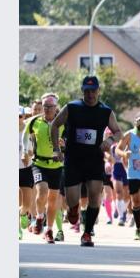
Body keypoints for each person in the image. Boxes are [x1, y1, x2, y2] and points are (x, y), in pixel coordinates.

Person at [50, 76, 123, 247]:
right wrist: (56, 149)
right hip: (74, 159)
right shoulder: (72, 107)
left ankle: (87, 233)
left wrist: (110, 141)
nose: (90, 94)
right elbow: (54, 125)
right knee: (73, 200)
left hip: (94, 159)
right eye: (87, 91)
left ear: (98, 91)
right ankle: (73, 210)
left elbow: (119, 132)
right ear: (82, 91)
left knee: (94, 196)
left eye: (93, 90)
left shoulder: (106, 111)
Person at [24, 93, 65, 244]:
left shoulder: (63, 122)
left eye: (50, 107)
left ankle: (49, 230)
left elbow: (69, 140)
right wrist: (24, 152)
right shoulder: (35, 121)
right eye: (45, 107)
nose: (47, 109)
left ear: (56, 108)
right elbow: (24, 135)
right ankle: (39, 217)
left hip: (56, 164)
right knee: (42, 192)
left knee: (53, 200)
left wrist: (64, 144)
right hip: (39, 163)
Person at [116, 112, 140, 240]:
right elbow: (118, 149)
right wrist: (124, 153)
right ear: (135, 123)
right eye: (139, 122)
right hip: (133, 174)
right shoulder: (129, 134)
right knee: (136, 201)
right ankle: (138, 228)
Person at [19, 106, 35, 240]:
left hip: (26, 169)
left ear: (24, 116)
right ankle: (17, 230)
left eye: (20, 116)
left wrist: (31, 153)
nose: (17, 119)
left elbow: (34, 149)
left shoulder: (29, 130)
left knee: (27, 204)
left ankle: (23, 213)